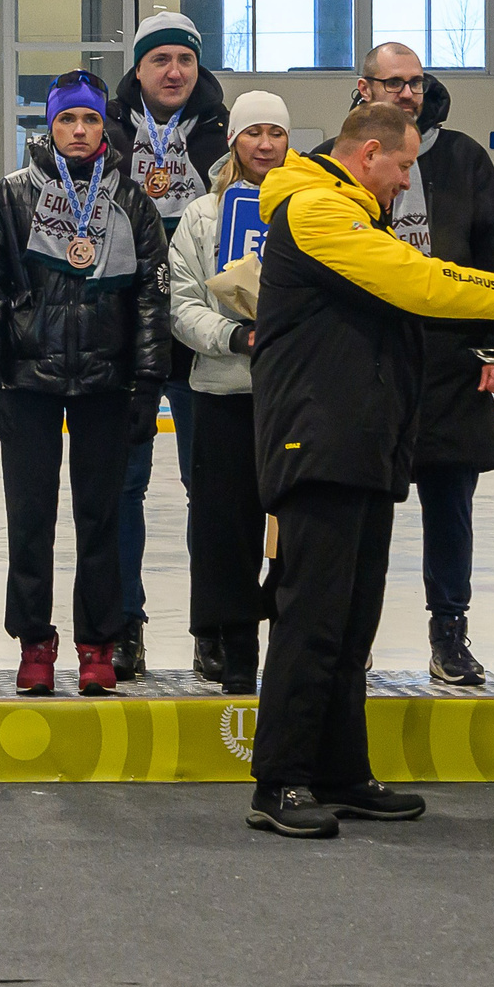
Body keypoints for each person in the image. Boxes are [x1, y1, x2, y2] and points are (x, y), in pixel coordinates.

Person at [245, 102, 494, 840]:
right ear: (368, 154)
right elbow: (419, 283)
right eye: (401, 169)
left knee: (352, 621)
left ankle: (338, 771)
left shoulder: (354, 214)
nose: (405, 184)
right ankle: (281, 779)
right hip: (319, 442)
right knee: (312, 619)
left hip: (362, 443)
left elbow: (420, 293)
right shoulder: (316, 211)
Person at [0, 70, 171, 696]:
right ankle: (34, 640)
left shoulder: (131, 201)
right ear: (48, 127)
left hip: (107, 385)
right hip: (28, 382)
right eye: (66, 120)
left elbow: (152, 303)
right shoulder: (11, 196)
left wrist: (147, 384)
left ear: (104, 126)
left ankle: (97, 642)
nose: (79, 131)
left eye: (89, 120)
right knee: (29, 517)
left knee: (101, 518)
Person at [334, 43, 494, 688]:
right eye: (394, 83)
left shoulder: (466, 157)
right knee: (361, 514)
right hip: (370, 362)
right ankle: (352, 637)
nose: (408, 93)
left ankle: (450, 633)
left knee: (451, 509)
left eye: (415, 82)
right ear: (365, 88)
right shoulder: (338, 161)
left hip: (452, 363)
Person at [111, 10, 230, 667]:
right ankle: (126, 624)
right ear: (139, 69)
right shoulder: (103, 133)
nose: (174, 70)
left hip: (202, 330)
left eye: (184, 59)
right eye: (160, 60)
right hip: (125, 332)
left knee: (207, 485)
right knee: (124, 484)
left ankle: (212, 626)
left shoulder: (231, 133)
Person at [165, 91, 291, 695]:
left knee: (298, 531)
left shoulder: (313, 210)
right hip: (221, 392)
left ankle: (296, 646)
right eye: (253, 133)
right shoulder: (201, 218)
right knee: (226, 530)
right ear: (233, 141)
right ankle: (231, 649)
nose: (265, 144)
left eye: (276, 133)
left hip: (294, 396)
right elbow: (183, 306)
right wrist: (237, 336)